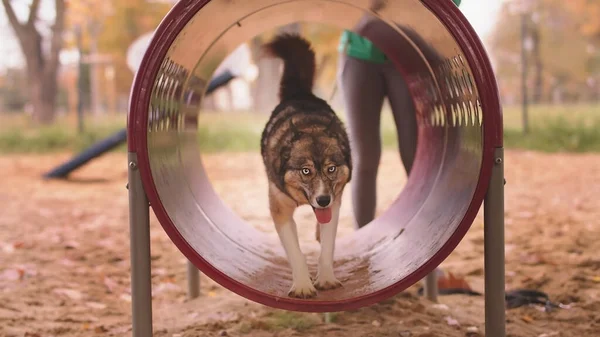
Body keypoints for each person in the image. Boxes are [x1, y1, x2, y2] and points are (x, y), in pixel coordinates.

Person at [336, 0, 461, 229]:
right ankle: (362, 241)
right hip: (360, 52)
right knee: (365, 157)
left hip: (408, 52)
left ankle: (426, 243)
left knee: (415, 154)